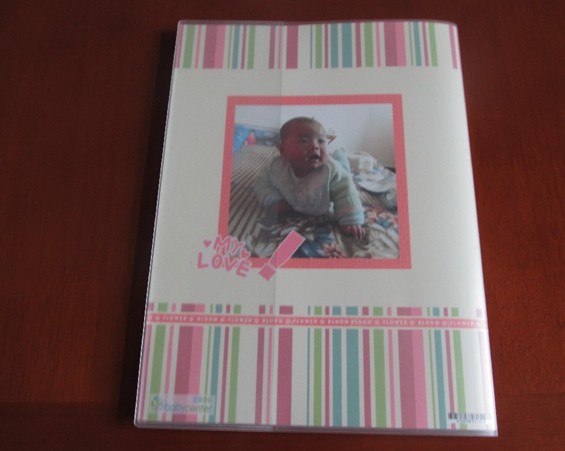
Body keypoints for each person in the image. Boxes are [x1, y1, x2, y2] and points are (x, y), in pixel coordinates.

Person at [254, 117, 365, 239]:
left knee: (343, 169)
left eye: (321, 141)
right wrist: (272, 199)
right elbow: (262, 183)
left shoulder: (330, 170)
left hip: (339, 169)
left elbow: (346, 190)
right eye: (303, 141)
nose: (315, 146)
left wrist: (350, 218)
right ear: (282, 150)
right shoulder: (277, 168)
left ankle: (340, 155)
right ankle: (339, 155)